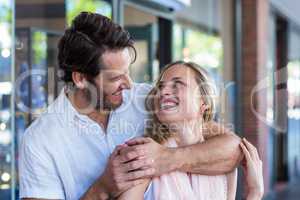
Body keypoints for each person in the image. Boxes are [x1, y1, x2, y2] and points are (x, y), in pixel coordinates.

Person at [19, 12, 242, 200]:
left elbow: (230, 146)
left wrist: (166, 158)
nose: (128, 84)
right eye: (116, 77)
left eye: (128, 71)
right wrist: (102, 189)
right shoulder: (40, 141)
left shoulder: (147, 99)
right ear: (80, 79)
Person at [117, 61, 264, 200]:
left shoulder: (222, 163)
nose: (163, 92)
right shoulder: (144, 157)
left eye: (177, 85)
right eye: (160, 87)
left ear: (204, 102)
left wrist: (255, 192)